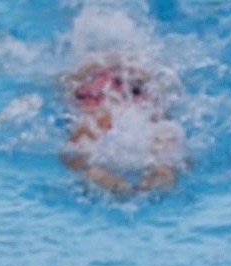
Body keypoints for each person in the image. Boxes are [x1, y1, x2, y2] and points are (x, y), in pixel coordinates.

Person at [61, 55, 186, 195]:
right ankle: (163, 168)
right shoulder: (140, 67)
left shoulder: (86, 72)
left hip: (97, 92)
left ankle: (95, 172)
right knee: (159, 127)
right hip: (135, 90)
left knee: (86, 133)